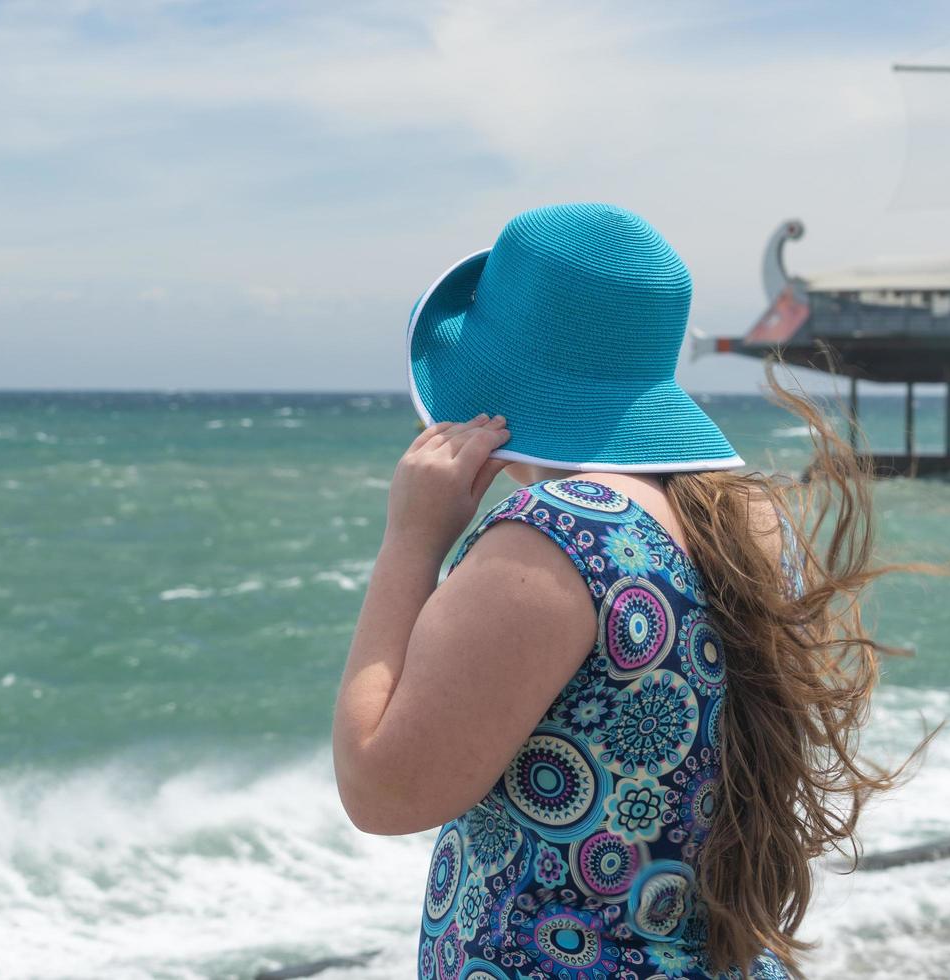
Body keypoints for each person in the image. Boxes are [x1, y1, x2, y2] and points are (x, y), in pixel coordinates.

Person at [331, 203, 914, 980]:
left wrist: (410, 541)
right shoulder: (755, 521)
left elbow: (383, 790)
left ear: (490, 379)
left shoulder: (550, 538)